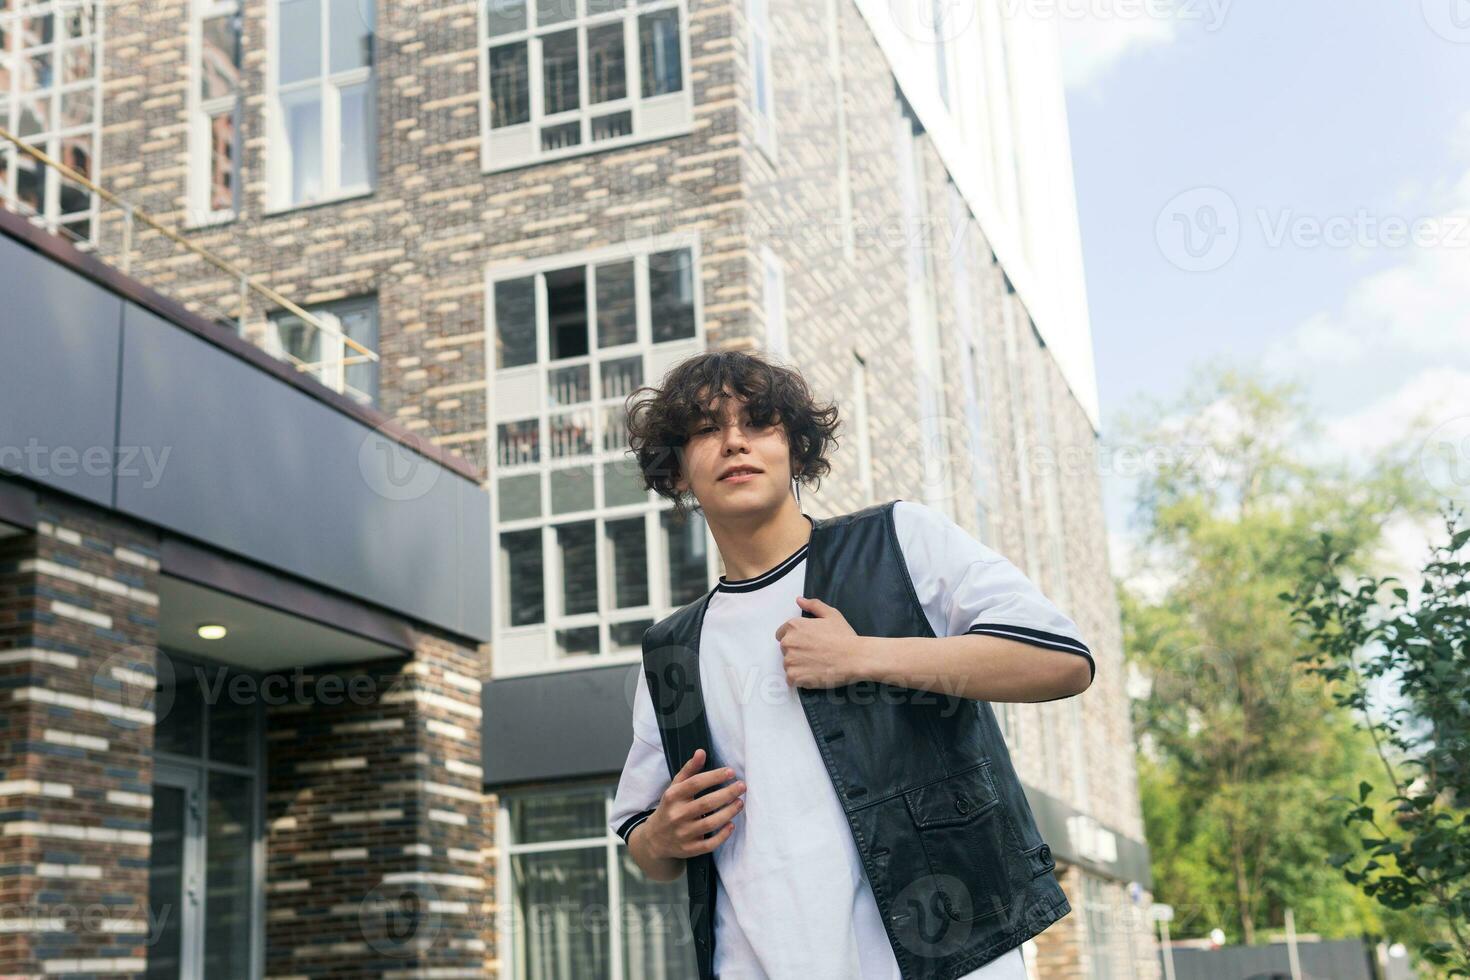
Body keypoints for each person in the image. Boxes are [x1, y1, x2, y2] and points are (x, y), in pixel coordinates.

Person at [609, 350, 1095, 979]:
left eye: (757, 422)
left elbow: (1061, 660)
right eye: (704, 429)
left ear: (798, 450)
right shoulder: (673, 646)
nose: (733, 442)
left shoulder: (901, 540)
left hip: (949, 957)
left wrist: (865, 654)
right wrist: (660, 839)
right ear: (675, 472)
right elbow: (645, 840)